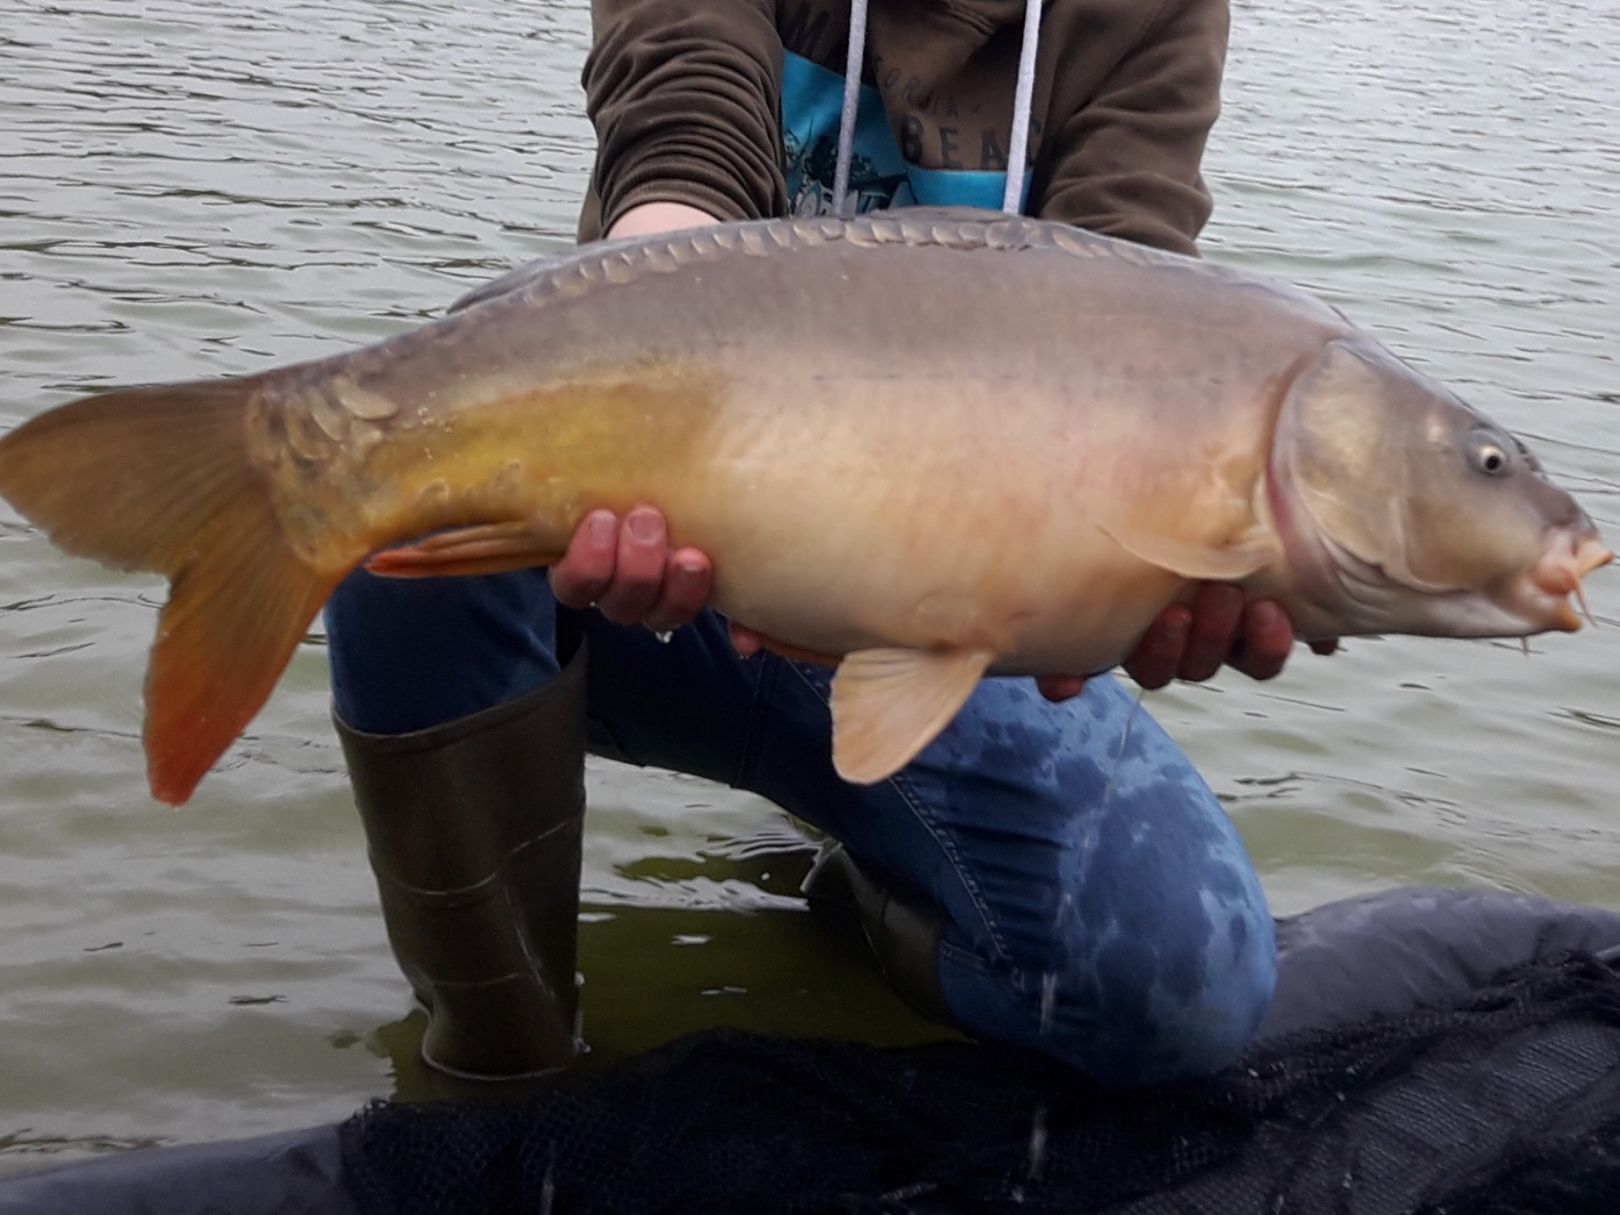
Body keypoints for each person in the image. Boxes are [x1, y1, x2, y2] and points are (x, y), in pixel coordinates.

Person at [325, 0, 1332, 1087]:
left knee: (1185, 992)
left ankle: (867, 898)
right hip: (657, 548)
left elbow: (1135, 292)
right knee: (403, 496)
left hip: (946, 612)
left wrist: (1135, 575)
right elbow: (684, 112)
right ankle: (500, 1071)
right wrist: (675, 309)